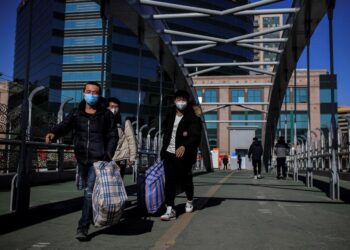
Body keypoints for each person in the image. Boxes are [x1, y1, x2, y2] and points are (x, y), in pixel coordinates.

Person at [45, 82, 118, 241]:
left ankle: (82, 227)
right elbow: (64, 125)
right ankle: (92, 214)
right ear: (83, 93)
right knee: (87, 191)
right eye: (89, 91)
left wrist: (108, 154)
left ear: (99, 95)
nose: (92, 95)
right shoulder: (76, 113)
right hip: (81, 158)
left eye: (95, 92)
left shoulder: (106, 115)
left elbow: (113, 136)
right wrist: (53, 133)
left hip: (98, 160)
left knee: (89, 192)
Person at [160, 90, 202, 221]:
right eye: (179, 99)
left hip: (184, 154)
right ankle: (170, 209)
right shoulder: (170, 115)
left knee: (185, 179)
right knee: (169, 181)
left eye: (184, 99)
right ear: (174, 100)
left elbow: (196, 136)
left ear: (187, 101)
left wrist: (184, 145)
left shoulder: (193, 117)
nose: (181, 102)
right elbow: (165, 132)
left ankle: (189, 199)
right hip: (169, 153)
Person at [108, 97, 137, 179]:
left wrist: (132, 157)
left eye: (116, 107)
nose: (114, 109)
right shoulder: (102, 120)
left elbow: (131, 139)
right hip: (107, 157)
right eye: (111, 106)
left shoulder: (124, 121)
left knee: (118, 182)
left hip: (120, 157)